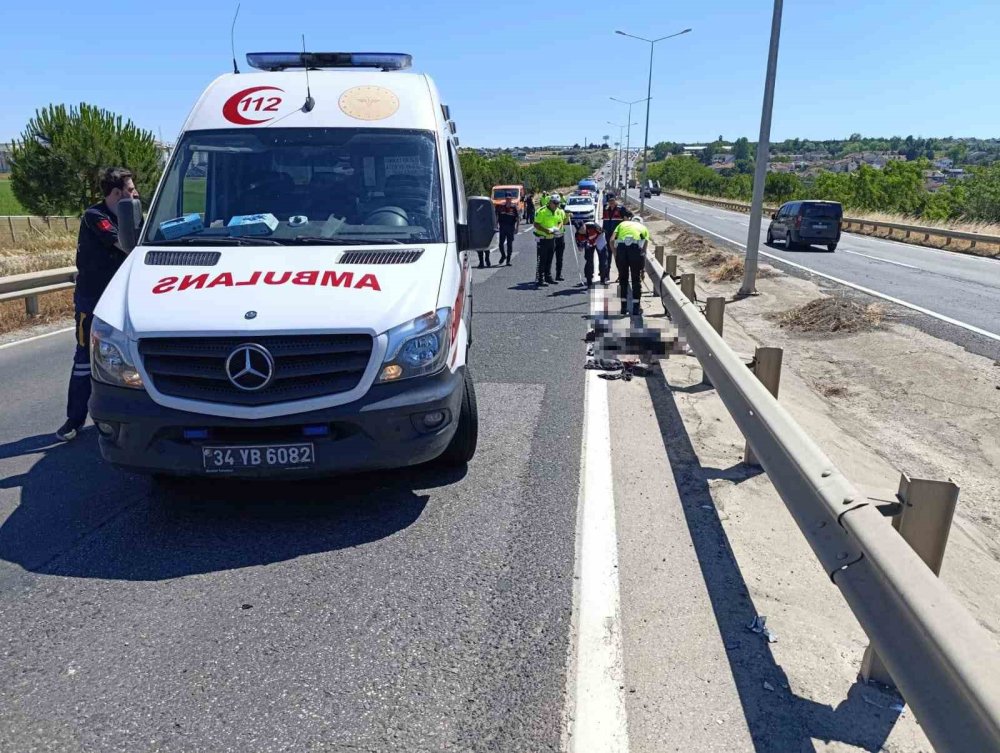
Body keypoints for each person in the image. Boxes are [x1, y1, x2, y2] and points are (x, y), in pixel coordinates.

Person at [56, 167, 140, 441]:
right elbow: (122, 245)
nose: (135, 193)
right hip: (92, 302)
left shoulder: (133, 218)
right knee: (84, 360)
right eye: (130, 190)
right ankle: (74, 420)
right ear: (116, 193)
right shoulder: (97, 217)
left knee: (126, 361)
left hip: (121, 300)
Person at [610, 211, 650, 316]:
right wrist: (642, 269)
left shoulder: (622, 224)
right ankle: (636, 309)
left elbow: (611, 241)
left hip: (621, 250)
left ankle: (623, 308)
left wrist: (616, 254)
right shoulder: (644, 229)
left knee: (623, 279)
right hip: (635, 250)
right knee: (636, 280)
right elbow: (643, 251)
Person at [532, 194, 561, 288]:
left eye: (558, 203)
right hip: (542, 238)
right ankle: (540, 278)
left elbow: (560, 221)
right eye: (554, 203)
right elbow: (536, 224)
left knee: (550, 258)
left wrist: (557, 228)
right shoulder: (542, 211)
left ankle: (548, 276)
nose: (556, 205)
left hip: (552, 238)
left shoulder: (557, 211)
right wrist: (546, 230)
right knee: (542, 259)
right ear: (550, 202)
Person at [575, 219, 609, 287]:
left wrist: (597, 243)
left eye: (582, 228)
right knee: (589, 260)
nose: (582, 231)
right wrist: (582, 246)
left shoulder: (593, 226)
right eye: (580, 230)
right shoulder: (578, 235)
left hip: (599, 238)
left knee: (603, 259)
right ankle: (589, 279)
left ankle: (603, 278)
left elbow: (603, 232)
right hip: (589, 243)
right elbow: (580, 248)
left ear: (584, 225)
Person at [496, 197, 518, 266]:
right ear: (505, 199)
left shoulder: (514, 207)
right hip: (502, 228)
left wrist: (517, 227)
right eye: (507, 199)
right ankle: (503, 255)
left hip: (510, 228)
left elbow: (517, 218)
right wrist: (496, 225)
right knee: (500, 244)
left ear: (511, 199)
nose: (508, 200)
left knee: (509, 245)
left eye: (509, 199)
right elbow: (497, 216)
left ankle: (508, 260)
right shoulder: (501, 206)